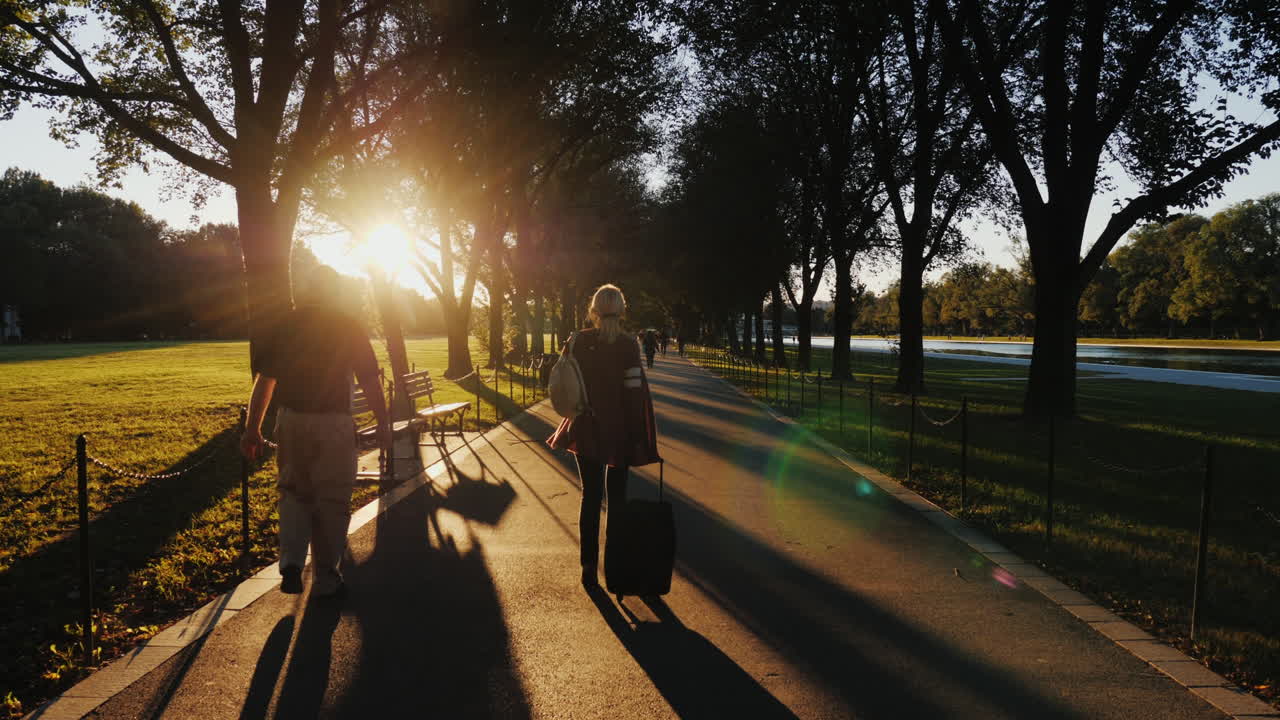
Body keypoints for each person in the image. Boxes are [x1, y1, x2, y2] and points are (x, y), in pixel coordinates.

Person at [240, 265, 391, 598]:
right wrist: (382, 422)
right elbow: (369, 380)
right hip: (334, 422)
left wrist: (252, 429)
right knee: (332, 500)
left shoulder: (285, 327)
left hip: (291, 420)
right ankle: (326, 579)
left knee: (293, 492)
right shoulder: (347, 326)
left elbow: (265, 380)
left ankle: (292, 562)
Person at [547, 284, 661, 586]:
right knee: (618, 500)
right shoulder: (627, 345)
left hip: (586, 426)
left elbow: (563, 380)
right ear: (622, 310)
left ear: (593, 310)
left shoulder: (577, 341)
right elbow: (634, 393)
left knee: (590, 496)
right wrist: (640, 433)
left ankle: (588, 565)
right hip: (620, 430)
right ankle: (614, 564)